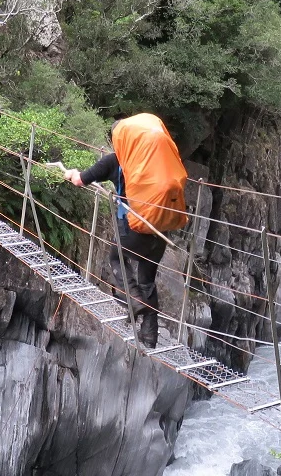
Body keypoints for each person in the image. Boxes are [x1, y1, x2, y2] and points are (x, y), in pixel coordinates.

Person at [64, 114, 188, 349]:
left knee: (116, 258)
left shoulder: (115, 160)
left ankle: (134, 301)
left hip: (133, 229)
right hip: (158, 231)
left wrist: (70, 173)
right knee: (147, 280)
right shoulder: (153, 163)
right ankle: (149, 334)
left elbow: (81, 180)